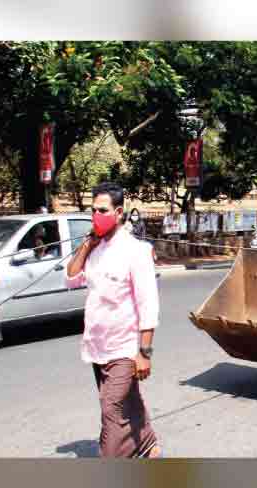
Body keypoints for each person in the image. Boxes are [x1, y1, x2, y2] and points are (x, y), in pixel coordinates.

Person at [65, 182, 161, 458]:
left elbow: (148, 305)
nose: (97, 215)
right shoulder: (94, 248)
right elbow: (71, 278)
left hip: (125, 347)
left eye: (103, 210)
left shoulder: (137, 251)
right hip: (97, 345)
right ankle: (147, 444)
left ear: (119, 212)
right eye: (93, 210)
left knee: (111, 408)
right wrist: (87, 244)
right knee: (128, 400)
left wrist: (144, 353)